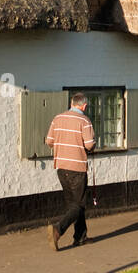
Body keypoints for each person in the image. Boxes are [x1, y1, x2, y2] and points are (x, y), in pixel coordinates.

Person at [46, 92, 95, 250]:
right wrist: (93, 142)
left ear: (72, 103)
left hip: (61, 167)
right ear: (84, 105)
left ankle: (80, 237)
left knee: (72, 205)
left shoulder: (57, 118)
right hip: (77, 168)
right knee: (79, 205)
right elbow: (89, 145)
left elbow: (49, 141)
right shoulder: (84, 120)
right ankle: (58, 229)